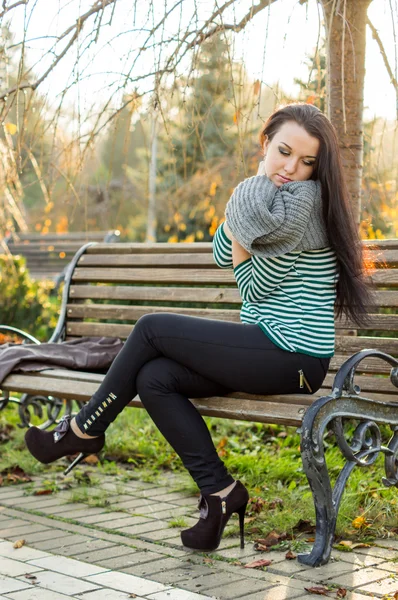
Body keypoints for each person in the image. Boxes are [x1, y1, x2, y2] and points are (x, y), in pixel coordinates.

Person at [25, 103, 371, 553]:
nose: (292, 168)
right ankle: (220, 494)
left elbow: (255, 287)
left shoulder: (301, 206)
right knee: (156, 378)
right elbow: (220, 248)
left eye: (307, 162)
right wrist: (244, 228)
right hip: (270, 347)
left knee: (151, 328)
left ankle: (83, 430)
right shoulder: (264, 200)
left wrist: (244, 237)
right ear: (265, 144)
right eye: (284, 152)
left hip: (295, 357)